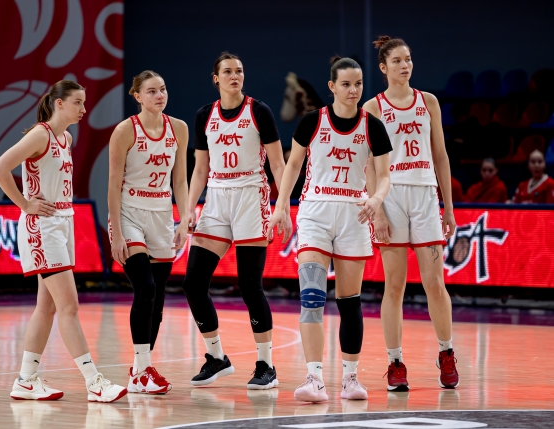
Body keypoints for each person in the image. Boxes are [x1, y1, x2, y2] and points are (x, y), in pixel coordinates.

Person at [0, 80, 126, 403]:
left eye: (84, 103)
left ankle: (26, 380)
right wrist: (25, 204)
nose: (83, 109)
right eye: (78, 102)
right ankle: (94, 382)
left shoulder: (66, 138)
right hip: (43, 227)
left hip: (63, 221)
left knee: (47, 307)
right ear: (59, 103)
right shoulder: (40, 134)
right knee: (69, 306)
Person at [269, 56, 392, 402]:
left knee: (349, 303)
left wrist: (376, 199)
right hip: (315, 213)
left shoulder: (372, 126)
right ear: (332, 87)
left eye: (358, 84)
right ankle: (314, 379)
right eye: (346, 84)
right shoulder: (312, 121)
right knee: (311, 298)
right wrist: (281, 207)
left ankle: (351, 379)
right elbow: (293, 165)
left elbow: (384, 176)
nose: (353, 90)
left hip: (355, 214)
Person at [182, 52, 286, 390]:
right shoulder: (204, 115)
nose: (234, 76)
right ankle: (217, 357)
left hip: (250, 196)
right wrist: (189, 207)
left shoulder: (259, 110)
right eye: (227, 71)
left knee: (249, 285)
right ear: (216, 78)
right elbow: (200, 168)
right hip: (216, 197)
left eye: (239, 71)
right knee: (193, 283)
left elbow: (278, 164)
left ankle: (266, 365)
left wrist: (283, 205)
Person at [364, 36, 459, 391]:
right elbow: (369, 164)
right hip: (390, 197)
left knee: (435, 283)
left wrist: (448, 207)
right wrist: (377, 210)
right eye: (398, 61)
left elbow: (441, 157)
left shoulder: (428, 101)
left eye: (408, 59)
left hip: (424, 195)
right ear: (383, 67)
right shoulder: (373, 107)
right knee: (395, 285)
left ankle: (446, 352)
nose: (405, 65)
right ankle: (395, 362)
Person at [108, 71, 189, 394]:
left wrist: (184, 219)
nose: (160, 95)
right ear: (137, 96)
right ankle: (140, 371)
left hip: (161, 216)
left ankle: (141, 369)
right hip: (129, 214)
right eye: (152, 91)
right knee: (146, 287)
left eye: (163, 89)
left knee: (157, 298)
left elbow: (179, 180)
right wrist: (116, 232)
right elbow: (113, 183)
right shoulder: (125, 130)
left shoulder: (178, 128)